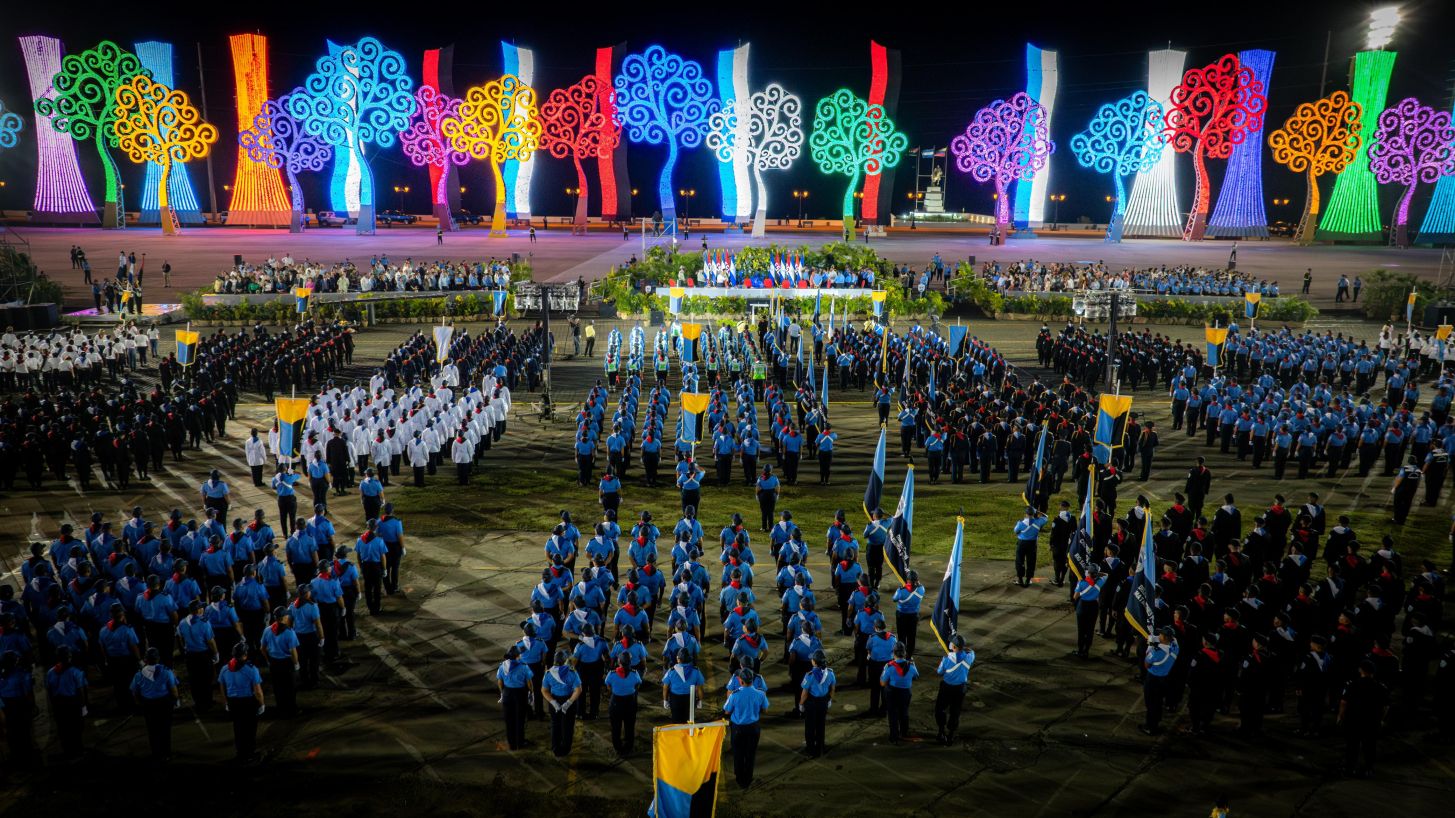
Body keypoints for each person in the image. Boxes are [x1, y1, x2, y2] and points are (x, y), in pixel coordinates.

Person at [1339, 658, 1389, 777]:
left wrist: (1341, 716)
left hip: (1354, 720)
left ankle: (1350, 769)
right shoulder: (1381, 687)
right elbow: (1386, 707)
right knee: (1370, 746)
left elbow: (1343, 702)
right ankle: (1369, 769)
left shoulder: (1353, 684)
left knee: (1352, 745)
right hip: (1371, 721)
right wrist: (1381, 719)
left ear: (1360, 670)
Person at [130, 646, 180, 760]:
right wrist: (175, 701)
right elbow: (174, 691)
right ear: (158, 659)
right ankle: (166, 754)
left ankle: (156, 753)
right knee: (165, 729)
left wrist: (140, 703)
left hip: (148, 705)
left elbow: (135, 692)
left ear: (146, 659)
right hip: (164, 704)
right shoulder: (166, 672)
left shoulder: (139, 674)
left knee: (152, 730)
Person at [217, 643, 265, 762]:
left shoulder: (224, 669)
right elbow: (257, 692)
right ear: (245, 654)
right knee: (250, 729)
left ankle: (240, 753)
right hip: (248, 703)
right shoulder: (251, 669)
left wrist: (226, 702)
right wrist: (262, 704)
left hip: (233, 703)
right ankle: (249, 754)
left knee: (238, 729)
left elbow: (222, 688)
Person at [45, 646, 88, 760]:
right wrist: (83, 707)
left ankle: (68, 750)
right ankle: (78, 750)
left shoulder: (50, 672)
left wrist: (53, 706)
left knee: (63, 729)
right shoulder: (75, 672)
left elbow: (49, 691)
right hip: (72, 703)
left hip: (58, 703)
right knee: (75, 728)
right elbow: (80, 692)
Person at [934, 634, 974, 745]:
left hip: (946, 688)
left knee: (940, 709)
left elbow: (939, 672)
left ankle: (941, 732)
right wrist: (963, 648)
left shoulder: (946, 659)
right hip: (960, 689)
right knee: (955, 711)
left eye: (951, 643)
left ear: (954, 647)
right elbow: (971, 651)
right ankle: (951, 735)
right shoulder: (969, 657)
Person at [260, 606, 300, 717]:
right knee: (290, 687)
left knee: (278, 687)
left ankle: (281, 708)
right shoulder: (289, 632)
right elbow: (293, 651)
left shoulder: (267, 630)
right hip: (287, 663)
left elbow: (262, 648)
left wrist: (268, 660)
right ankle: (291, 710)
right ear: (284, 617)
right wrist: (296, 664)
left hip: (274, 663)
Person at [542, 649, 581, 757]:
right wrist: (568, 703)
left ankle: (556, 748)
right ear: (565, 661)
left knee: (555, 725)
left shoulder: (548, 674)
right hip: (569, 700)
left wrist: (553, 702)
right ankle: (565, 749)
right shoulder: (572, 672)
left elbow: (544, 690)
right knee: (568, 726)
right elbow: (578, 690)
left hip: (555, 700)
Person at [1141, 627, 1179, 735]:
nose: (1159, 636)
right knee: (1158, 702)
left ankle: (1150, 727)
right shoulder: (1175, 646)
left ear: (1166, 637)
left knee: (1151, 703)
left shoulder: (1156, 652)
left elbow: (1146, 664)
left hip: (1153, 680)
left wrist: (1150, 648)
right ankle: (1156, 722)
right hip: (1165, 679)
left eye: (1161, 635)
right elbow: (1170, 640)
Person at [798, 649, 835, 757]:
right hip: (823, 702)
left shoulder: (809, 675)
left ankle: (810, 749)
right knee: (821, 725)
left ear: (815, 662)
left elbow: (804, 693)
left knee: (810, 726)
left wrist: (801, 704)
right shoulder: (830, 673)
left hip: (811, 703)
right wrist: (830, 700)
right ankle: (820, 747)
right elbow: (832, 688)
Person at [879, 642, 918, 743]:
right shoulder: (911, 666)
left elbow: (882, 683)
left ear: (893, 653)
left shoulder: (889, 667)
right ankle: (904, 733)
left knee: (893, 714)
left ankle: (894, 736)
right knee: (904, 712)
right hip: (905, 693)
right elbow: (916, 676)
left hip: (892, 693)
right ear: (905, 653)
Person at [497, 645, 533, 750]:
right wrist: (531, 693)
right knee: (520, 719)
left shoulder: (502, 666)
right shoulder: (524, 666)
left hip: (507, 693)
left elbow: (499, 682)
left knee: (509, 720)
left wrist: (502, 693)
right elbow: (529, 683)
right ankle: (520, 742)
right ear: (517, 656)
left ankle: (512, 743)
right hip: (520, 694)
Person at [605, 653, 642, 756]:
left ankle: (618, 747)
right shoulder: (634, 673)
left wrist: (616, 691)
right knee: (629, 726)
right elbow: (638, 684)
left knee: (615, 726)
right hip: (630, 702)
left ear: (619, 662)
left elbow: (608, 686)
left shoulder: (611, 674)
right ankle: (628, 746)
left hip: (616, 702)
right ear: (630, 662)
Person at [1073, 567, 1105, 657]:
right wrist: (1098, 574)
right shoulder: (1100, 582)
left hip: (1082, 606)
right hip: (1093, 607)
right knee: (1090, 630)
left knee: (1081, 630)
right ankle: (1086, 650)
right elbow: (1106, 575)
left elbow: (1075, 596)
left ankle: (1080, 650)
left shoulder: (1082, 582)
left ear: (1089, 573)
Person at [1013, 507, 1048, 587]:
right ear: (1034, 513)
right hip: (1032, 544)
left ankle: (1020, 580)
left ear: (1025, 514)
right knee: (1031, 562)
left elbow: (1015, 531)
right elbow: (1046, 517)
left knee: (1019, 561)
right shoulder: (1039, 522)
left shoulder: (1020, 523)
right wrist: (1038, 511)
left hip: (1021, 543)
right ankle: (1028, 580)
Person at [892, 570, 924, 657]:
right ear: (917, 580)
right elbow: (919, 585)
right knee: (911, 635)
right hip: (913, 616)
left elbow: (894, 599)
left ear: (907, 580)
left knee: (902, 635)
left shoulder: (901, 591)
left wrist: (904, 587)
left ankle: (901, 654)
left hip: (901, 615)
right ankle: (909, 656)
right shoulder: (921, 589)